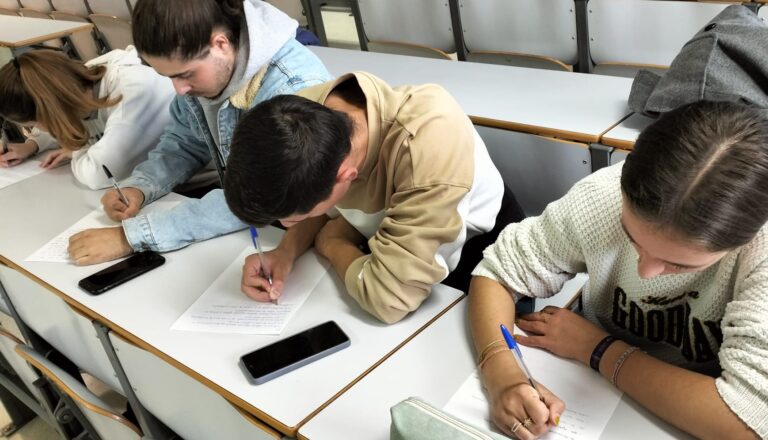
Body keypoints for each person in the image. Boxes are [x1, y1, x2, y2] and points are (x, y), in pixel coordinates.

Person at [469, 101, 767, 439]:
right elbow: (497, 273)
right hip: (592, 385)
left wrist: (598, 349)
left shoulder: (761, 252)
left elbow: (748, 423)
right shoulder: (604, 197)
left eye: (679, 264)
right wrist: (501, 373)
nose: (645, 272)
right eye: (632, 238)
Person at [224, 72, 525, 324]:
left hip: (482, 256)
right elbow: (311, 193)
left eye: (295, 218)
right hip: (391, 238)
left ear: (346, 177)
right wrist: (284, 253)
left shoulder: (427, 145)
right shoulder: (304, 112)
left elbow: (389, 300)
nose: (287, 224)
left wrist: (333, 243)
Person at [66, 0, 332, 265]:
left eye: (185, 74)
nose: (179, 89)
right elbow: (184, 141)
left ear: (220, 44)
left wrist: (132, 236)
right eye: (168, 76)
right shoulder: (206, 75)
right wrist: (140, 186)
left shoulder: (292, 92)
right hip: (257, 229)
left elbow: (256, 198)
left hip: (294, 235)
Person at [0, 48, 175, 189]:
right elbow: (61, 117)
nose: (38, 129)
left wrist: (74, 149)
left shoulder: (131, 98)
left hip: (187, 188)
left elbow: (99, 174)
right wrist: (32, 145)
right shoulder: (78, 81)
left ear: (51, 114)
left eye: (32, 125)